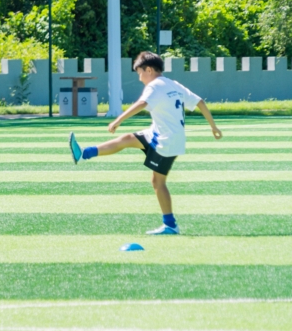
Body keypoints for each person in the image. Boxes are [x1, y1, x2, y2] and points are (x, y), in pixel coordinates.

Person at [69, 51, 223, 235]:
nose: (140, 77)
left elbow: (142, 104)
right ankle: (84, 153)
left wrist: (118, 120)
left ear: (149, 69)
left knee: (158, 183)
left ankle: (170, 225)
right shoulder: (172, 84)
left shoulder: (154, 86)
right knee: (127, 139)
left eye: (140, 73)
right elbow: (200, 102)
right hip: (159, 134)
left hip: (165, 141)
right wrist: (214, 127)